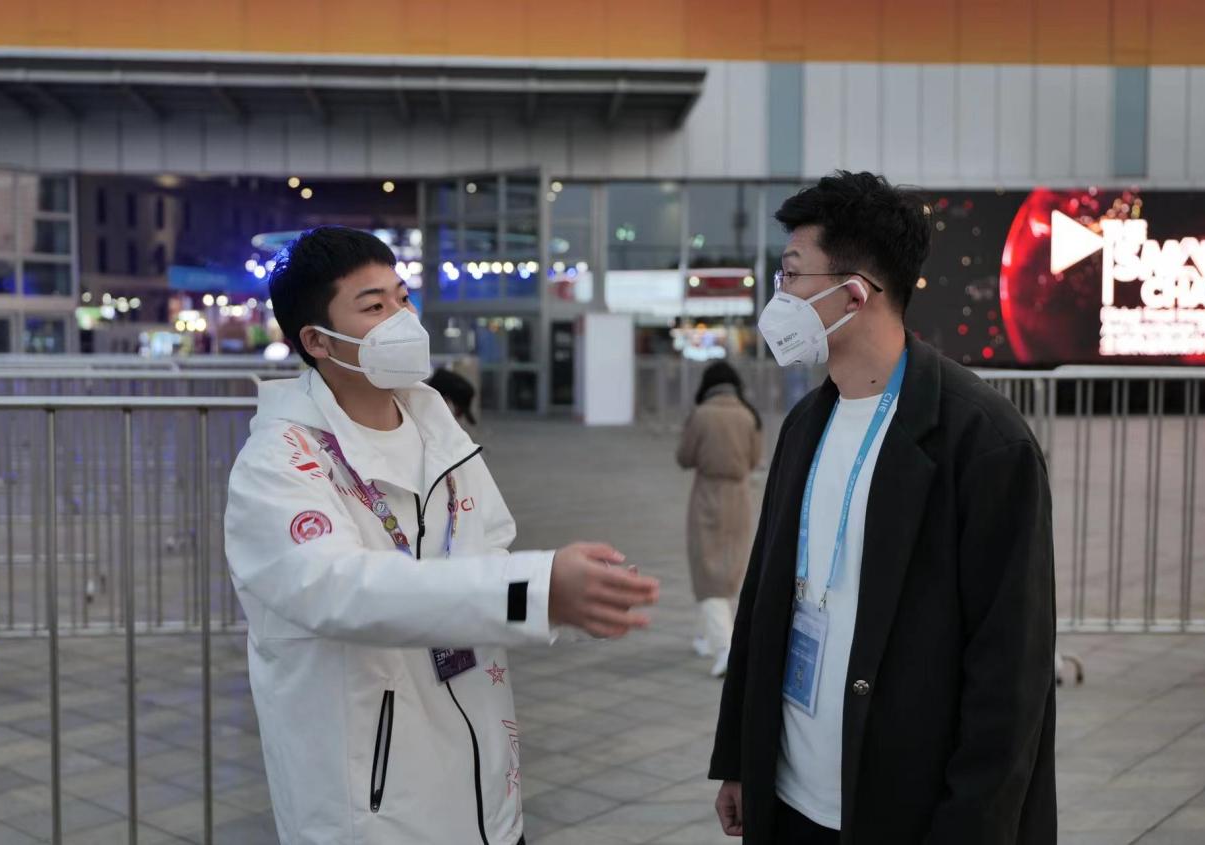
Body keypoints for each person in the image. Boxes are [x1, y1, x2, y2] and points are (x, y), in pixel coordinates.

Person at [225, 226, 659, 845]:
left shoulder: (438, 431)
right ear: (316, 340)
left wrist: (562, 599)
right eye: (373, 306)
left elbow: (488, 553)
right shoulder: (280, 462)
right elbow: (339, 588)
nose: (402, 319)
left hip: (489, 801)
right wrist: (534, 591)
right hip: (376, 817)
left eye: (402, 298)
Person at [710, 172, 1056, 844]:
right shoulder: (805, 423)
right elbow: (762, 600)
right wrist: (739, 757)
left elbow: (1010, 671)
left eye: (791, 274)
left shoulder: (982, 442)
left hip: (905, 808)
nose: (779, 297)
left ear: (854, 293)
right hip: (790, 798)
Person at [676, 361, 763, 678]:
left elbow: (684, 457)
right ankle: (707, 638)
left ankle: (725, 647)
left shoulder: (701, 415)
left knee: (707, 571)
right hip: (739, 497)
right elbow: (755, 459)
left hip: (707, 496)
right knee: (728, 568)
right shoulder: (749, 415)